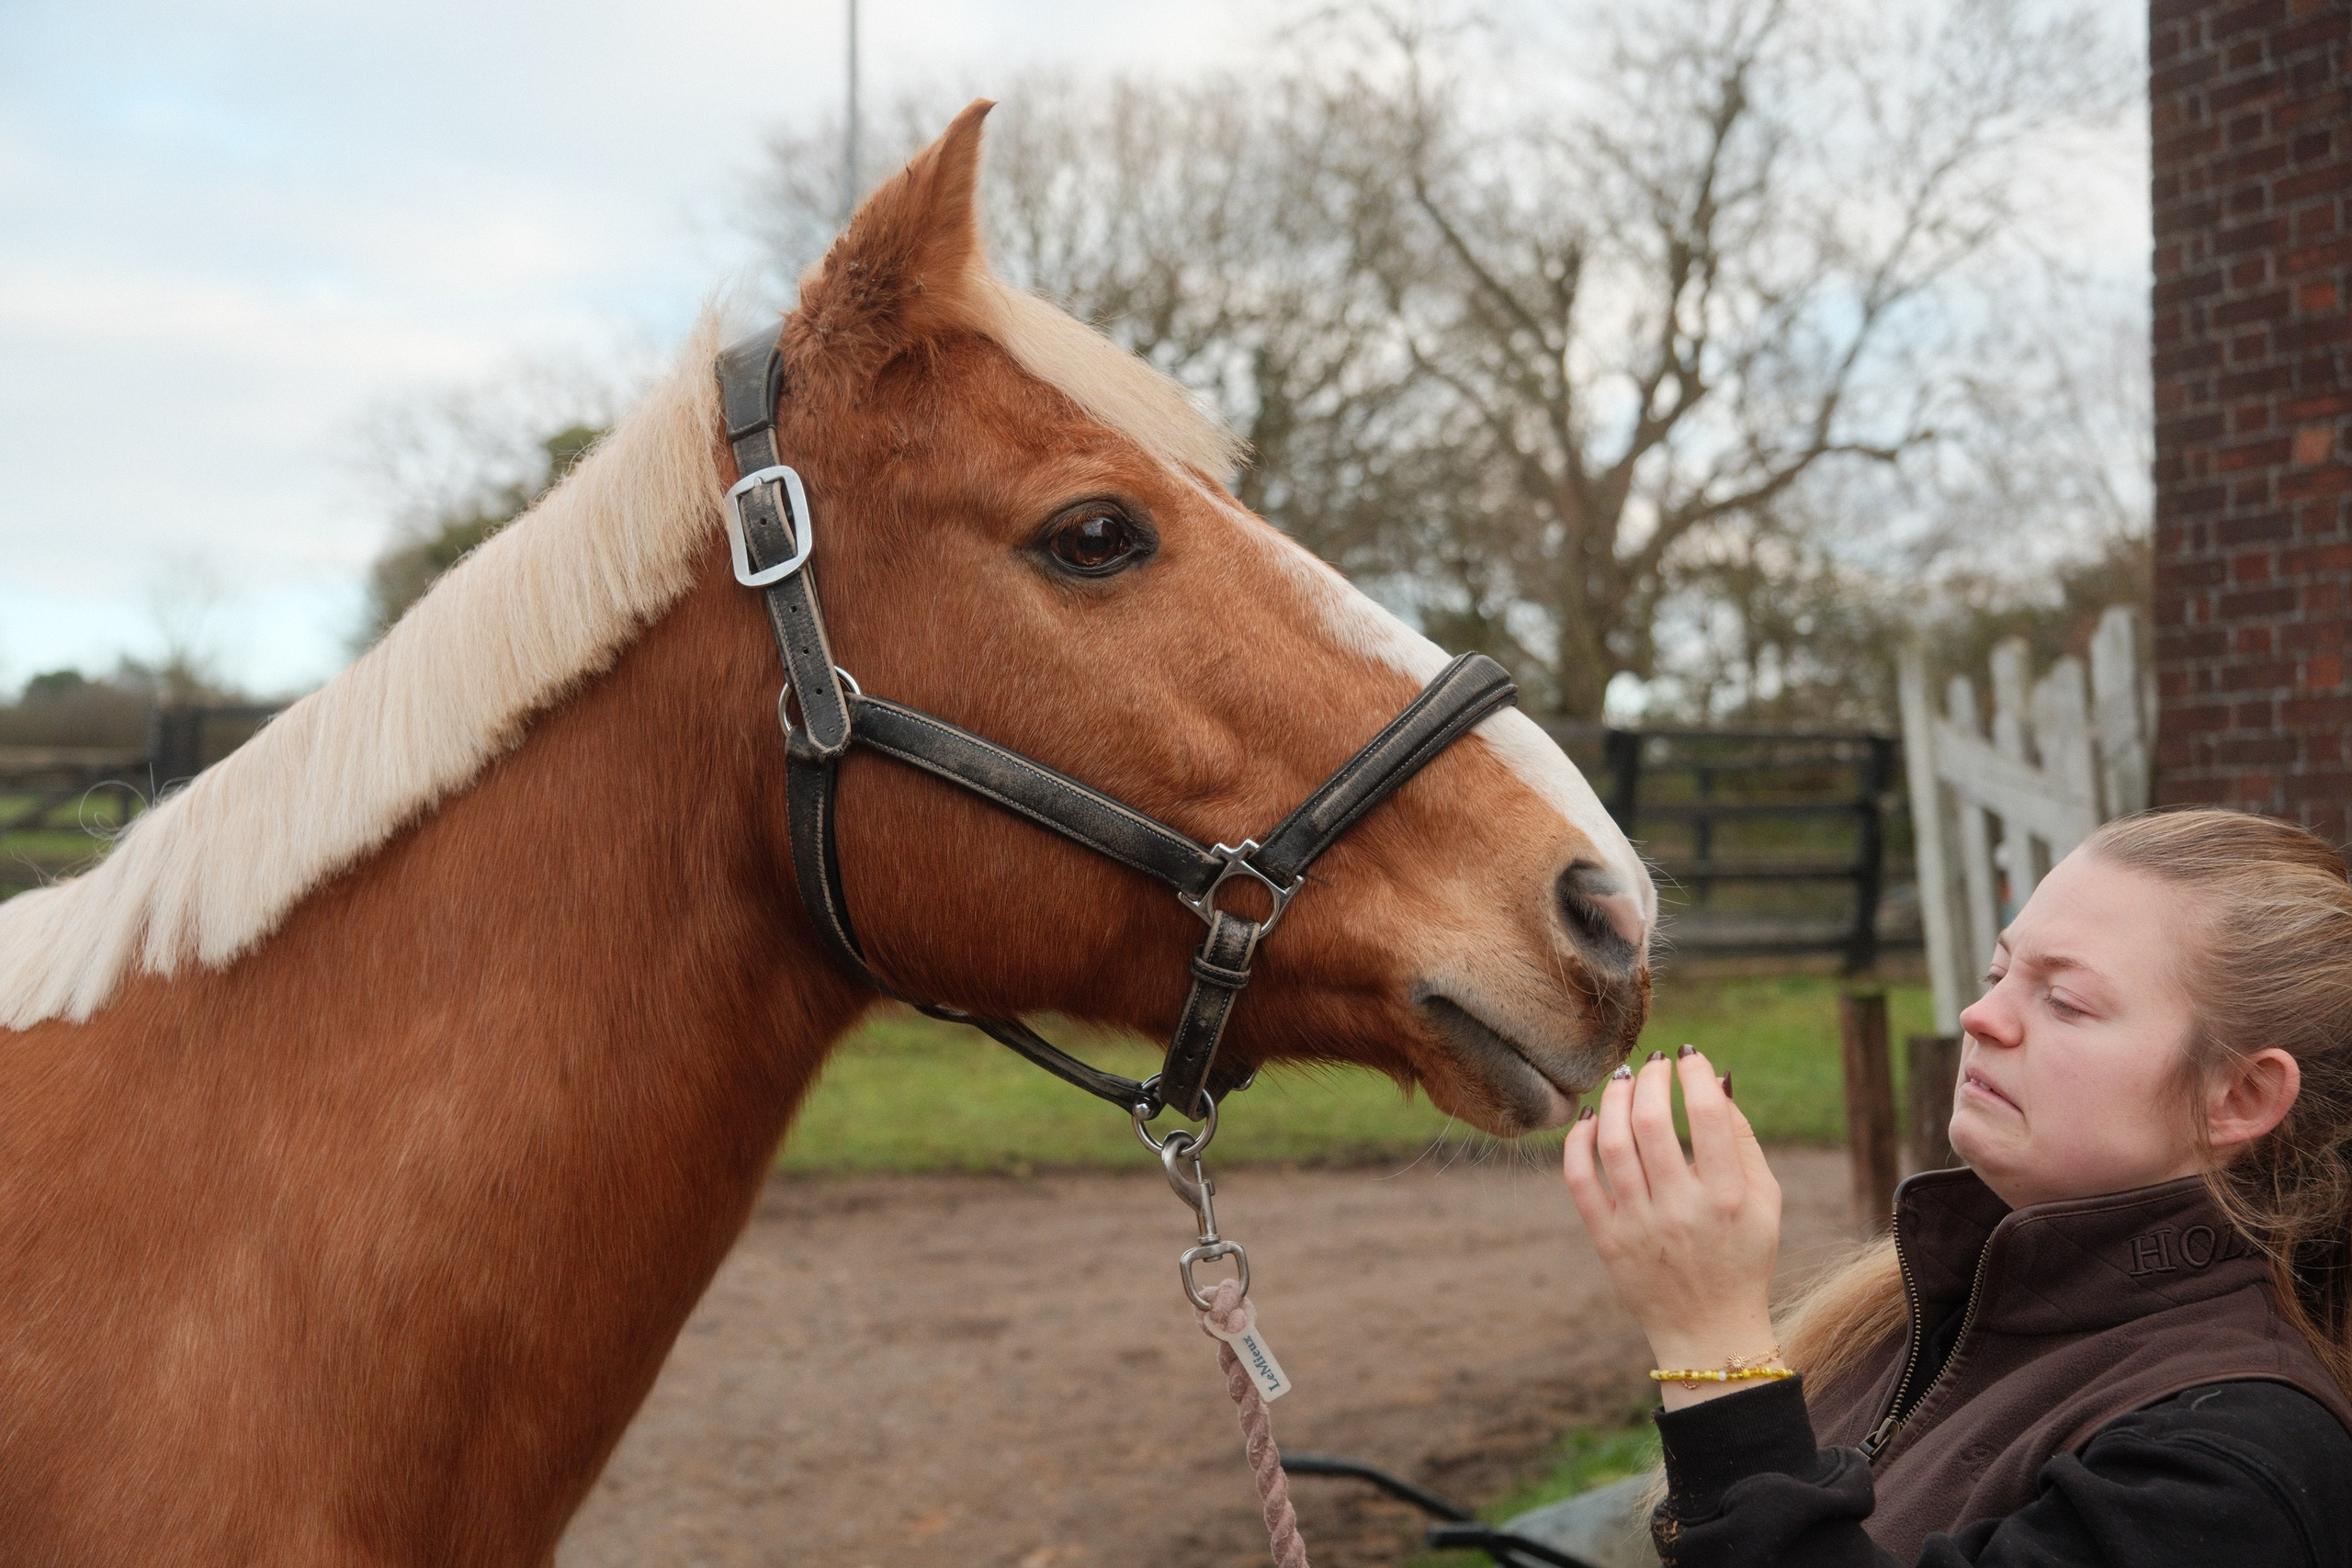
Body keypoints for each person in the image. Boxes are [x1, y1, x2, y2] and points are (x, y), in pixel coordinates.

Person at [1562, 808, 2352, 1567]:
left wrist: (1715, 1347)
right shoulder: (1932, 1308)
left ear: (2240, 1097)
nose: (1981, 1015)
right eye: (1999, 970)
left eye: (2065, 1001)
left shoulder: (2236, 1461)